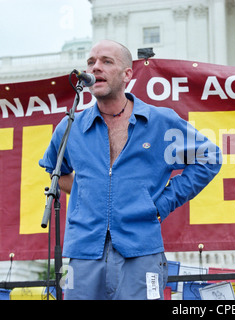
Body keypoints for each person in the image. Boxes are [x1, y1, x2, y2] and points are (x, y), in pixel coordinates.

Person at [39, 40, 222, 300]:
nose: (96, 67)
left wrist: (163, 202)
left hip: (141, 250)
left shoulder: (160, 121)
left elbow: (209, 158)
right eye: (91, 62)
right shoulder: (71, 126)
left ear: (127, 74)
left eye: (106, 61)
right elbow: (57, 171)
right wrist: (88, 195)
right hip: (83, 252)